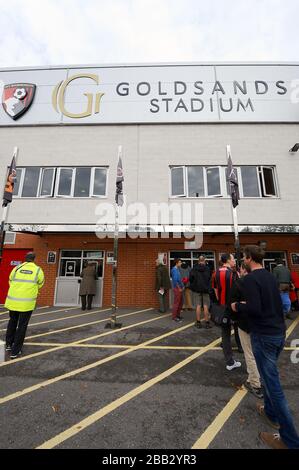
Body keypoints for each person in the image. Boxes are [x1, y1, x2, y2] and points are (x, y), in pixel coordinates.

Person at [232, 245, 299, 449]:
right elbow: (277, 305)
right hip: (278, 333)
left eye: (243, 257)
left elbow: (254, 309)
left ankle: (290, 441)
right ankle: (270, 413)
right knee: (268, 376)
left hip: (263, 335)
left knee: (273, 386)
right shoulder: (269, 277)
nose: (242, 260)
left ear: (249, 258)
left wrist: (238, 306)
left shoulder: (251, 279)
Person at [230, 262, 263, 399]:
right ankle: (253, 378)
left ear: (243, 269)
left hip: (245, 323)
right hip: (261, 323)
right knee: (258, 352)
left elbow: (232, 304)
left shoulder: (239, 283)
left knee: (249, 353)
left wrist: (236, 314)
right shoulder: (261, 281)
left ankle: (255, 383)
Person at [5, 252, 44, 359]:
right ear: (34, 259)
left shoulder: (16, 268)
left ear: (25, 258)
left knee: (12, 322)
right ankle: (15, 351)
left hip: (13, 301)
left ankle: (8, 344)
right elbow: (41, 283)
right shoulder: (37, 270)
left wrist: (18, 290)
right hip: (27, 303)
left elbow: (10, 280)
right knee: (22, 326)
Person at [213, 253, 242, 371]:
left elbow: (215, 290)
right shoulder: (233, 274)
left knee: (225, 334)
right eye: (233, 258)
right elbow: (239, 290)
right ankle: (240, 347)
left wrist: (221, 301)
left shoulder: (215, 273)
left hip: (223, 306)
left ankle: (229, 361)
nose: (234, 260)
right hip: (234, 307)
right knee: (238, 329)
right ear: (228, 260)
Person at [189, 256, 212, 329]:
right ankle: (207, 323)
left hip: (197, 289)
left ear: (198, 261)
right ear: (204, 261)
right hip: (205, 289)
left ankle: (198, 322)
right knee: (206, 306)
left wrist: (194, 284)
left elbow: (191, 278)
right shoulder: (208, 269)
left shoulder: (194, 269)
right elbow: (209, 278)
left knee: (198, 305)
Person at [171, 258, 184, 323]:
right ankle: (174, 317)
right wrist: (179, 288)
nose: (181, 263)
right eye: (180, 262)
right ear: (176, 263)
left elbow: (179, 279)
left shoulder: (177, 269)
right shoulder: (174, 270)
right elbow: (175, 280)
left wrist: (182, 286)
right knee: (177, 303)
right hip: (177, 288)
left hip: (179, 288)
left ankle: (178, 315)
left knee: (180, 302)